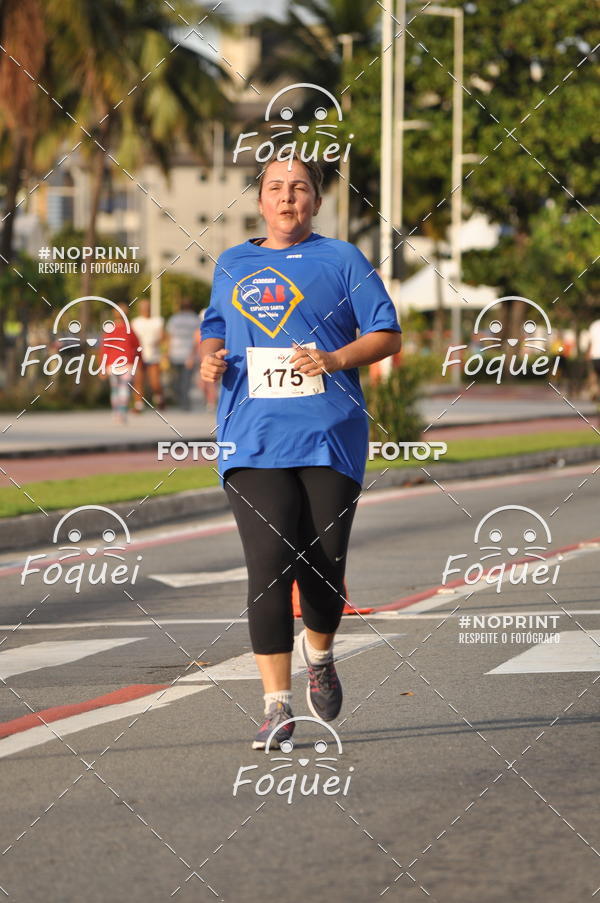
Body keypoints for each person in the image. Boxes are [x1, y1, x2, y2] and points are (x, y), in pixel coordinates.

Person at [199, 156, 402, 750]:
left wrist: (335, 359)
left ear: (315, 201)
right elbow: (216, 327)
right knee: (268, 567)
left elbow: (387, 333)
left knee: (323, 566)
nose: (287, 198)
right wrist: (210, 355)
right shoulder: (233, 262)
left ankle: (320, 653)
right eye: (275, 189)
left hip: (328, 435)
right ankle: (276, 707)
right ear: (259, 200)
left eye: (300, 189)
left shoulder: (342, 260)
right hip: (251, 436)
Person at [100, 300, 141, 424]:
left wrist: (102, 367)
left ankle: (116, 412)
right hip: (127, 363)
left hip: (112, 364)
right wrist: (139, 361)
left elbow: (104, 349)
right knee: (124, 388)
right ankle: (122, 412)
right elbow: (137, 346)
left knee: (115, 389)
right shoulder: (130, 329)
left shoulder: (109, 329)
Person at [131, 298, 165, 411]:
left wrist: (159, 343)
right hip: (139, 355)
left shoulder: (157, 321)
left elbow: (163, 336)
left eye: (147, 307)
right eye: (143, 307)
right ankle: (138, 405)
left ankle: (159, 400)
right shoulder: (135, 322)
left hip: (153, 355)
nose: (145, 309)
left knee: (155, 382)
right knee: (139, 381)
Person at [166, 299, 200, 409]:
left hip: (175, 353)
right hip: (188, 354)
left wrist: (167, 352)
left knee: (176, 380)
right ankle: (184, 402)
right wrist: (193, 354)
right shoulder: (195, 319)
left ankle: (182, 402)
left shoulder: (174, 319)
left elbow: (169, 337)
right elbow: (197, 338)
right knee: (186, 381)